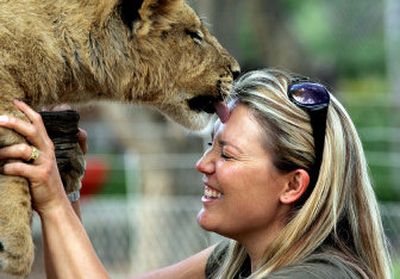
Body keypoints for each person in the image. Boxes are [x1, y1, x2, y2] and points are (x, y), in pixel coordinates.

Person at [0, 69, 392, 278]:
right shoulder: (237, 260)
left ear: (292, 185)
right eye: (210, 145)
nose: (203, 165)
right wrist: (66, 186)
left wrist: (53, 202)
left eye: (228, 154)